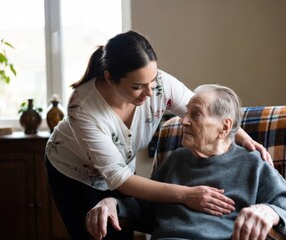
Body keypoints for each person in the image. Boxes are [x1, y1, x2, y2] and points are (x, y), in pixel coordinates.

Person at [45, 30, 271, 240]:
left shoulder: (160, 84)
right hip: (74, 173)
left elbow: (212, 112)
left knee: (123, 232)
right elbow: (120, 180)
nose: (151, 92)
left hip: (121, 168)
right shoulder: (82, 108)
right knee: (95, 233)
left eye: (152, 80)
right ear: (110, 78)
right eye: (138, 86)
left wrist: (245, 139)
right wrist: (188, 195)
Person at [86, 84, 286, 240]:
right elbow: (144, 209)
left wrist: (271, 211)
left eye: (195, 115)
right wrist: (111, 203)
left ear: (224, 127)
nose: (183, 121)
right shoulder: (177, 160)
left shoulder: (253, 167)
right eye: (186, 113)